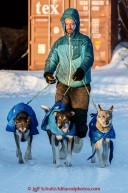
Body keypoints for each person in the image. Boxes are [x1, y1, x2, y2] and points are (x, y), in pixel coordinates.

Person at [43, 8, 94, 155]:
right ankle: (64, 145)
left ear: (77, 24)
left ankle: (78, 138)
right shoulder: (59, 43)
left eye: (72, 23)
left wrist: (81, 70)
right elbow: (52, 60)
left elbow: (88, 58)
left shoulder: (85, 41)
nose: (69, 26)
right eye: (67, 24)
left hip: (80, 84)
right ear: (63, 24)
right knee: (60, 113)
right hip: (63, 84)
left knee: (79, 114)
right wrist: (48, 73)